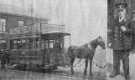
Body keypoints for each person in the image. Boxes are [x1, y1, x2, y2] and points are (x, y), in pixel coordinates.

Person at [108, 1, 135, 80]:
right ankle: (116, 71)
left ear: (125, 11)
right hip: (116, 44)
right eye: (119, 10)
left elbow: (134, 31)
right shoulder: (115, 20)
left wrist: (126, 30)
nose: (120, 12)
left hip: (125, 45)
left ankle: (126, 74)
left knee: (125, 61)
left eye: (122, 10)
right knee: (115, 59)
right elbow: (111, 32)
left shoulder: (129, 20)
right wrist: (110, 41)